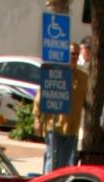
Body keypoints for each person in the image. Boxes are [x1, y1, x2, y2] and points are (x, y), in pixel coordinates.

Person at [35, 40, 87, 172]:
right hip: (54, 124)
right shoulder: (54, 73)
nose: (73, 57)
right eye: (70, 54)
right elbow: (40, 97)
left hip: (72, 127)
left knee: (68, 161)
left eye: (76, 54)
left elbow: (87, 102)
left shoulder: (84, 77)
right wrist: (37, 119)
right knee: (53, 157)